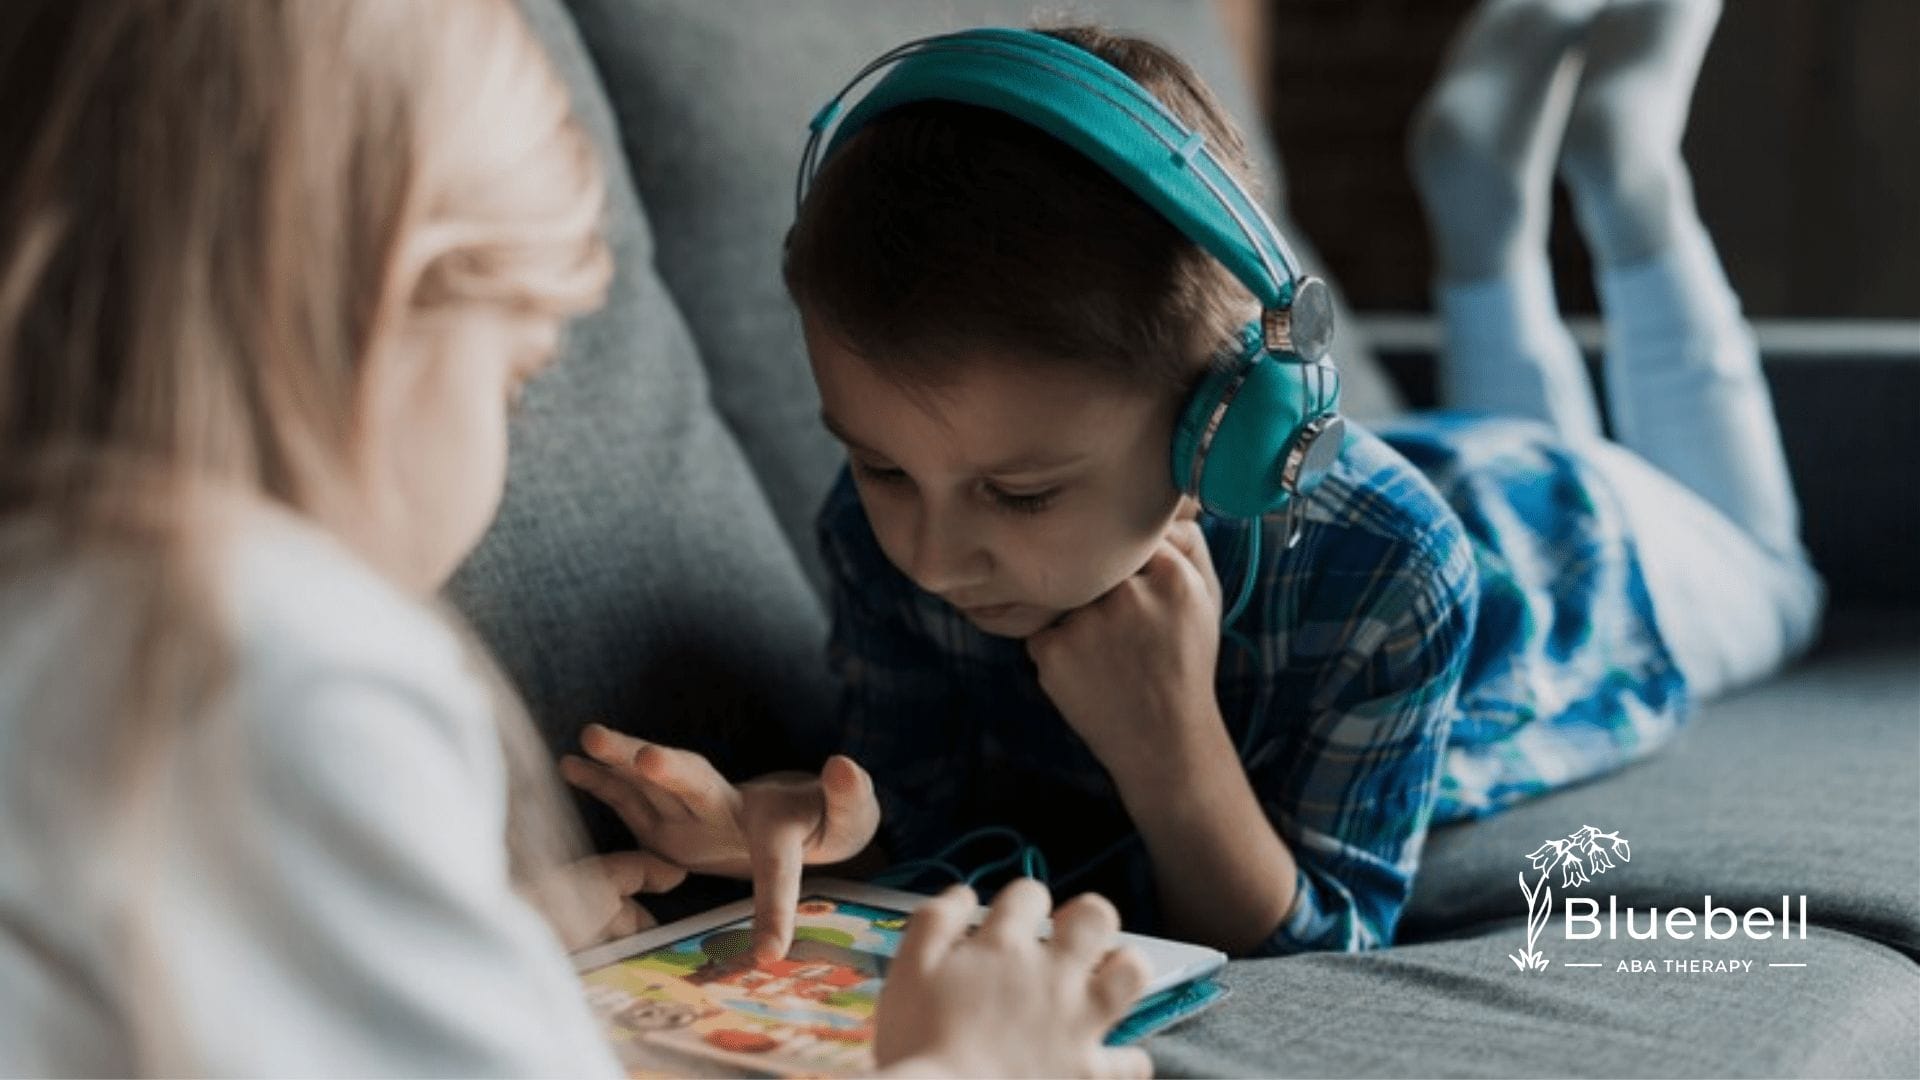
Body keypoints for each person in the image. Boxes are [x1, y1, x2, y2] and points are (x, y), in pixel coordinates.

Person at [0, 2, 1151, 1076]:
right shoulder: (283, 658)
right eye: (516, 379)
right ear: (395, 308)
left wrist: (476, 956)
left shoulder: (61, 612)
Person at [571, 13, 1822, 960]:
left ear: (1225, 436)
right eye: (882, 463)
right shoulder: (884, 530)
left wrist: (1172, 751)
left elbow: (1321, 948)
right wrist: (814, 818)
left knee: (1785, 580)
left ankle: (1633, 176)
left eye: (1020, 494)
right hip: (1445, 454)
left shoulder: (1396, 574)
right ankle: (1486, 207)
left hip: (1583, 551)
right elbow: (935, 809)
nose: (933, 555)